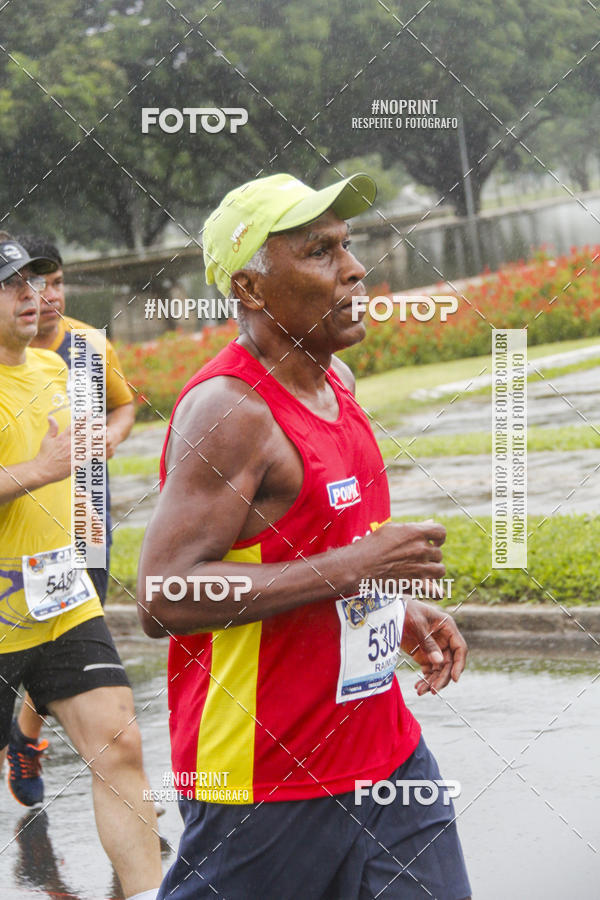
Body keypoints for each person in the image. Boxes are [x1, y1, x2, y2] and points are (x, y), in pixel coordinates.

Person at [139, 173, 471, 899]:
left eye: (348, 246)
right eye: (319, 251)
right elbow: (162, 595)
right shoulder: (229, 413)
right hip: (265, 783)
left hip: (386, 758)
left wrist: (390, 607)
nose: (353, 269)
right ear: (252, 291)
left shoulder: (338, 379)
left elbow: (320, 545)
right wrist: (354, 567)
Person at [0, 234, 161, 900]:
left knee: (119, 743)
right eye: (14, 286)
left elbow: (61, 465)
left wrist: (71, 513)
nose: (33, 297)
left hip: (60, 596)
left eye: (38, 283)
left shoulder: (55, 370)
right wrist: (40, 471)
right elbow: (42, 463)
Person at [6, 235, 135, 808]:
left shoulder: (83, 347)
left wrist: (106, 436)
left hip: (83, 518)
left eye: (53, 283)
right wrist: (38, 468)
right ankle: (27, 741)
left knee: (68, 636)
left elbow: (122, 406)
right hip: (16, 545)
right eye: (30, 284)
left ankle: (31, 742)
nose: (44, 296)